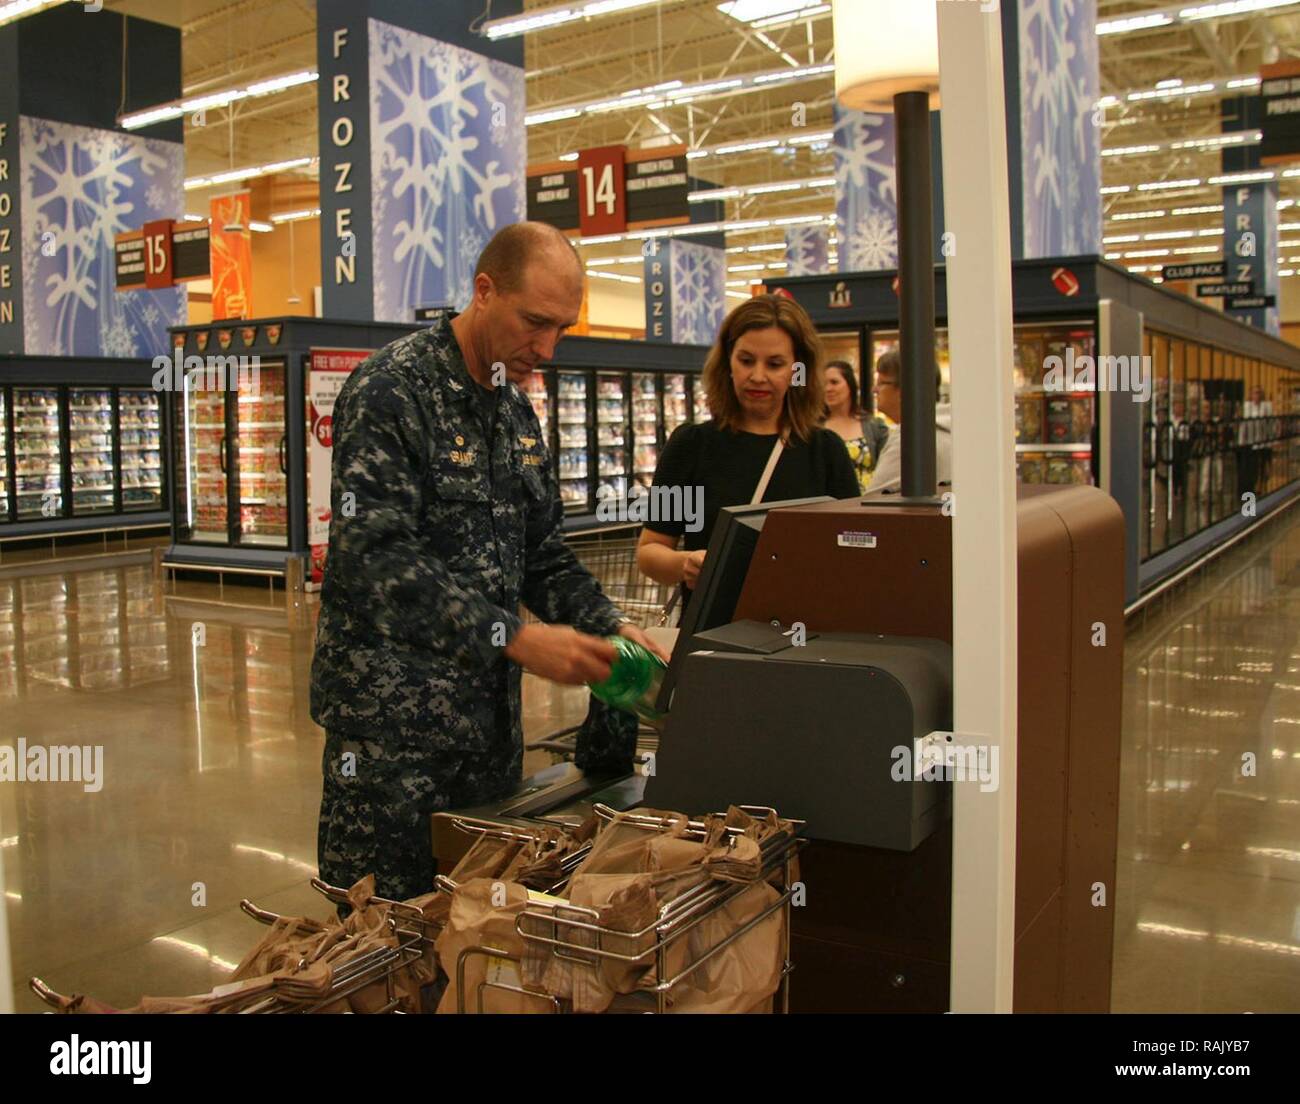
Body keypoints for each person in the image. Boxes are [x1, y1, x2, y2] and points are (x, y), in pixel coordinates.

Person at [310, 221, 664, 902]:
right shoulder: (392, 391)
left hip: (488, 729)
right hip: (392, 741)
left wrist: (607, 622)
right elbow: (375, 556)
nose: (548, 348)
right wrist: (520, 638)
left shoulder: (516, 414)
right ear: (483, 292)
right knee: (381, 928)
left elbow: (542, 553)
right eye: (535, 323)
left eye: (562, 328)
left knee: (472, 927)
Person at [636, 294, 860, 593]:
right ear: (728, 362)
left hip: (805, 627)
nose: (758, 376)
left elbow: (854, 548)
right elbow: (651, 550)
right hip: (712, 632)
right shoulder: (690, 445)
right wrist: (686, 563)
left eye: (775, 364)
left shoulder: (826, 450)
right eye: (746, 360)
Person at [866, 350, 953, 494]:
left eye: (881, 383)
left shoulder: (910, 439)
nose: (874, 390)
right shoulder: (951, 428)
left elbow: (872, 501)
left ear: (905, 389)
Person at [823, 359, 890, 493]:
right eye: (823, 384)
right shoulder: (814, 430)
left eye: (834, 382)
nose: (828, 389)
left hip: (872, 502)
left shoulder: (874, 427)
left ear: (850, 385)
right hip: (831, 506)